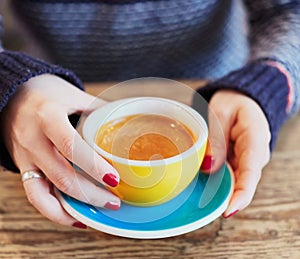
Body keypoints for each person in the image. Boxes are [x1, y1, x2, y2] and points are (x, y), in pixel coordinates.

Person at [0, 0, 299, 229]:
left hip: (214, 100)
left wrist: (265, 81)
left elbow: (288, 9)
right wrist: (12, 84)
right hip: (57, 108)